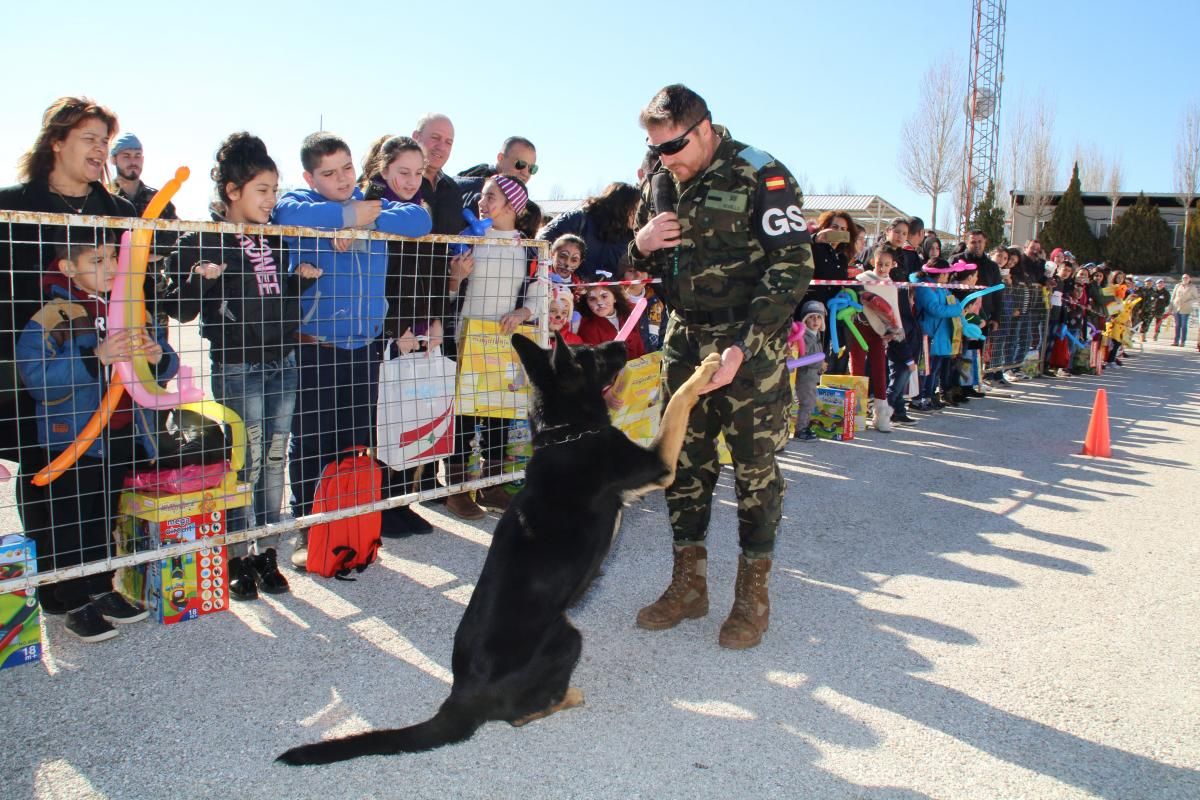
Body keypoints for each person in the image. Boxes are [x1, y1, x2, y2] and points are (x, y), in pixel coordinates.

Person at [628, 84, 813, 650]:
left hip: (747, 341)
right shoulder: (658, 179)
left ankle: (751, 597)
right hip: (684, 338)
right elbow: (634, 261)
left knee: (754, 468)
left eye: (675, 145)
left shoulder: (762, 174)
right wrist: (640, 243)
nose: (665, 158)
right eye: (655, 147)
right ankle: (689, 586)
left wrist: (747, 344)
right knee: (684, 462)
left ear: (704, 127)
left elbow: (793, 265)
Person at [161, 132, 321, 599]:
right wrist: (197, 280)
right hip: (237, 368)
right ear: (233, 191)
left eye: (274, 190)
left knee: (274, 461)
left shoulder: (274, 238)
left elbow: (273, 304)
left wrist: (297, 285)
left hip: (283, 362)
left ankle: (267, 553)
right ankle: (236, 556)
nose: (272, 200)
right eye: (263, 190)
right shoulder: (201, 239)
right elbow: (181, 310)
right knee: (243, 463)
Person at [272, 132, 432, 568]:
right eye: (328, 173)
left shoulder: (376, 208)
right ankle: (310, 527)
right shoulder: (298, 206)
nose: (341, 178)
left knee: (356, 439)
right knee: (311, 441)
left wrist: (361, 217)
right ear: (309, 175)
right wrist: (345, 217)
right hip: (316, 346)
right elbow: (285, 210)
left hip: (364, 345)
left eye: (346, 167)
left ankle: (351, 525)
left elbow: (420, 222)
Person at [16, 227, 178, 640]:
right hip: (74, 438)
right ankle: (71, 600)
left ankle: (100, 586)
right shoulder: (54, 315)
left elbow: (166, 361)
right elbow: (37, 378)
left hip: (121, 434)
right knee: (71, 520)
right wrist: (94, 357)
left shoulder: (131, 305)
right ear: (69, 267)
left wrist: (159, 357)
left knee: (104, 517)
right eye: (97, 261)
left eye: (113, 259)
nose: (109, 269)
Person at [359, 134, 450, 536]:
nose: (411, 181)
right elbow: (380, 278)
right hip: (387, 328)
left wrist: (434, 320)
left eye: (417, 172)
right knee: (382, 418)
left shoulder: (420, 208)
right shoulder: (369, 204)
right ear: (384, 169)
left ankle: (400, 500)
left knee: (410, 413)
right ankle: (380, 506)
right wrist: (397, 331)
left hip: (420, 323)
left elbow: (430, 272)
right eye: (403, 172)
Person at [443, 174, 545, 519]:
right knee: (464, 415)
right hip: (466, 338)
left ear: (512, 206)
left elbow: (539, 292)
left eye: (490, 197)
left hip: (503, 343)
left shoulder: (529, 248)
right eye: (483, 196)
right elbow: (448, 292)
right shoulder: (470, 239)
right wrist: (457, 277)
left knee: (499, 413)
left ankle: (493, 484)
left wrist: (523, 311)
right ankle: (457, 491)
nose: (481, 203)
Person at [536, 182, 639, 280]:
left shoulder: (630, 238)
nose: (639, 215)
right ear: (622, 207)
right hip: (562, 290)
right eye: (636, 208)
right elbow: (540, 244)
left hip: (599, 295)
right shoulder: (578, 219)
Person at [411, 113, 462, 236]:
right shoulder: (398, 181)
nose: (441, 147)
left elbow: (456, 236)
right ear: (416, 137)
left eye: (448, 142)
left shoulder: (453, 189)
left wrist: (461, 254)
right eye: (435, 137)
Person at [455, 136, 538, 208]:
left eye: (532, 168)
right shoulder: (478, 193)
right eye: (520, 164)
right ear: (501, 158)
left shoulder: (522, 203)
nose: (525, 173)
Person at [109, 133, 177, 219]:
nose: (133, 162)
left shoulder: (157, 199)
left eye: (137, 155)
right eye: (126, 156)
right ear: (113, 160)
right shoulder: (104, 196)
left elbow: (178, 230)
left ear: (143, 159)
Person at [576, 284, 646, 358]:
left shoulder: (629, 314)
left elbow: (639, 346)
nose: (599, 303)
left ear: (615, 297)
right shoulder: (587, 328)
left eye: (604, 296)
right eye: (592, 299)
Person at [791, 300, 826, 441]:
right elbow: (803, 358)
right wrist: (820, 362)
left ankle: (804, 426)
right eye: (811, 317)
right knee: (806, 402)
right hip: (804, 377)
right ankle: (801, 430)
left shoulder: (815, 335)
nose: (815, 321)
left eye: (818, 317)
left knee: (809, 402)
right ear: (805, 320)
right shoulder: (804, 337)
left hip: (811, 376)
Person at [620, 258, 665, 352]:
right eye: (631, 271)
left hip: (650, 361)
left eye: (643, 270)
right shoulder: (614, 302)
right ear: (622, 275)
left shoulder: (655, 303)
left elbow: (663, 335)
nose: (638, 275)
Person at [1169, 274, 1199, 346]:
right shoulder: (1178, 286)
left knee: (1184, 325)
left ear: (1189, 279)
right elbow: (1173, 296)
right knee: (1177, 325)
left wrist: (1189, 302)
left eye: (1186, 278)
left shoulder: (1192, 287)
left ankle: (1183, 341)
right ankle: (1176, 341)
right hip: (1176, 308)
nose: (1184, 279)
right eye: (1183, 278)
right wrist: (1170, 307)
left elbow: (1196, 298)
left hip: (1185, 309)